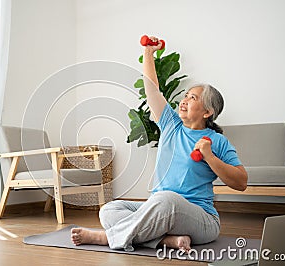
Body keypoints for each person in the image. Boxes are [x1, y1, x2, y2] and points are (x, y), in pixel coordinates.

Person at [71, 36, 248, 252]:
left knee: (166, 201)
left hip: (201, 219)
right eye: (186, 95)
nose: (184, 100)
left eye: (192, 98)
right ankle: (167, 241)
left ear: (208, 112)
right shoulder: (171, 125)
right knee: (110, 210)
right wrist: (148, 52)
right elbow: (152, 90)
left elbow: (241, 182)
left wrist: (209, 156)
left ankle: (106, 238)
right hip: (160, 207)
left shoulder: (218, 141)